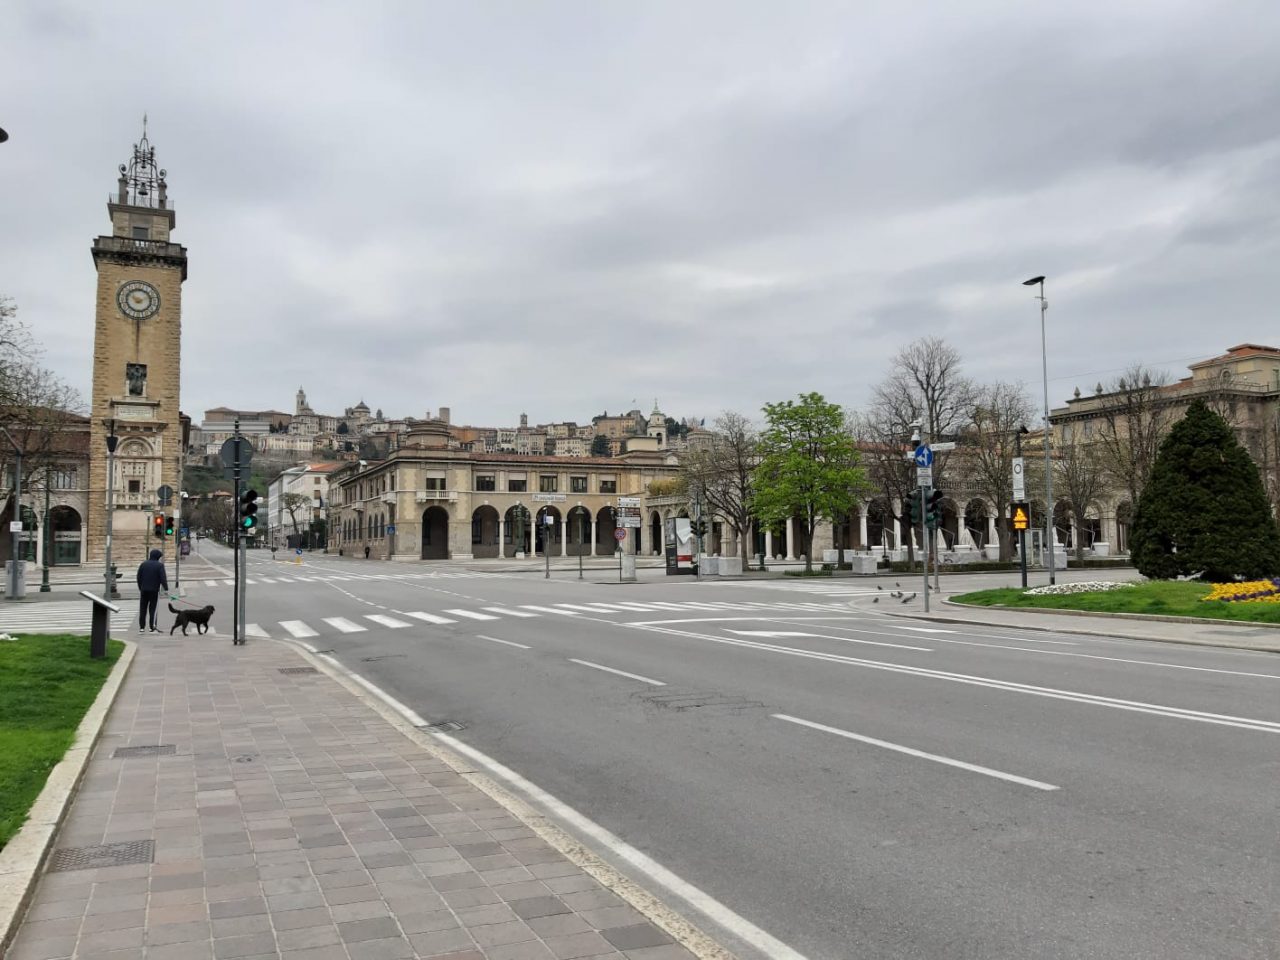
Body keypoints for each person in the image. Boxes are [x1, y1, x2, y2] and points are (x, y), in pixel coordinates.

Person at [136, 548, 168, 633]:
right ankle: (152, 627)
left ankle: (141, 628)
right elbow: (163, 579)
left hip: (144, 590)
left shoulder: (143, 564)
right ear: (157, 557)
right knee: (153, 609)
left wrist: (140, 587)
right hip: (154, 591)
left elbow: (138, 577)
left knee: (143, 608)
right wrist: (166, 589)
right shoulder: (160, 565)